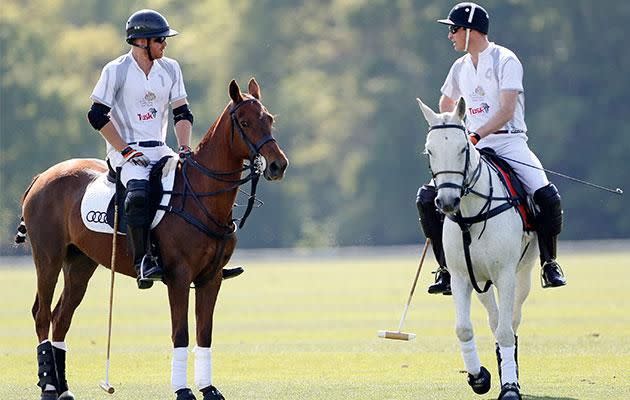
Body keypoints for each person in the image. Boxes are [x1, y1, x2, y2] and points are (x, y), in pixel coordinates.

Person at [416, 2, 566, 295]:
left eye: (454, 29)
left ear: (471, 31)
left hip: (508, 141)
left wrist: (475, 134)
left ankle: (550, 263)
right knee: (426, 198)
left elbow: (507, 110)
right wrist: (451, 129)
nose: (451, 36)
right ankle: (446, 269)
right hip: (471, 147)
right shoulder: (459, 67)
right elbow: (446, 104)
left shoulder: (504, 60)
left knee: (548, 197)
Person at [87, 9, 242, 289]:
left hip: (161, 149)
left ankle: (210, 258)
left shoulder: (171, 68)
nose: (165, 44)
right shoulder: (116, 70)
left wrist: (184, 147)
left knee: (194, 186)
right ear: (141, 41)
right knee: (137, 195)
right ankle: (143, 260)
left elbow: (182, 113)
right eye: (160, 39)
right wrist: (123, 150)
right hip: (126, 152)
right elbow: (97, 115)